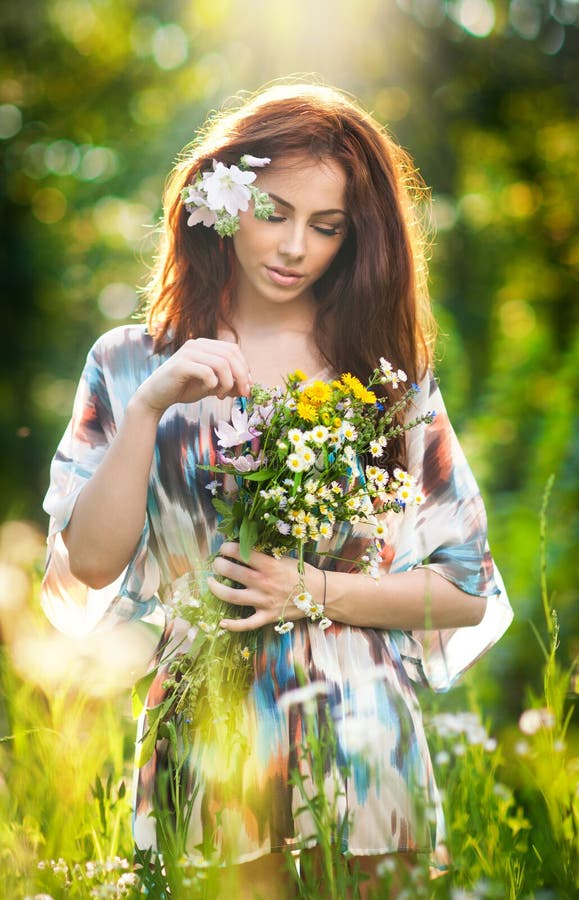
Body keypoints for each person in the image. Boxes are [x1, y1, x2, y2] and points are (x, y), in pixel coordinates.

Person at [41, 82, 513, 898]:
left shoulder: (385, 379)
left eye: (326, 227)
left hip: (360, 727)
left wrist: (314, 589)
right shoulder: (128, 362)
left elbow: (463, 589)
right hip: (209, 722)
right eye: (273, 212)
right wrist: (153, 405)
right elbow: (88, 563)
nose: (295, 246)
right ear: (222, 204)